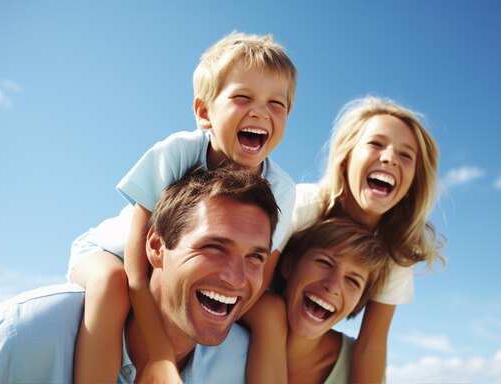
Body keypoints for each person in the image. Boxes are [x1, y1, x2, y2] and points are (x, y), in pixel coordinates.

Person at [68, 32, 297, 383]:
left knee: (270, 312)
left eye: (276, 104)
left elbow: (259, 275)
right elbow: (137, 263)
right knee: (110, 286)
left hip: (185, 273)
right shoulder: (178, 153)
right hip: (115, 254)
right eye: (242, 97)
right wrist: (160, 352)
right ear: (204, 113)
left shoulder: (281, 189)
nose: (260, 111)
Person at [0, 164, 280, 384]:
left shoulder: (242, 367)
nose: (236, 278)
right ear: (156, 247)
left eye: (254, 257)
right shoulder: (25, 334)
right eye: (214, 247)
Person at [245, 95, 446, 383]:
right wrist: (271, 325)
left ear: (413, 182)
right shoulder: (301, 204)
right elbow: (252, 289)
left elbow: (372, 346)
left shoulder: (397, 251)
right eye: (376, 144)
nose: (389, 157)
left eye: (406, 155)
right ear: (347, 157)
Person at [245, 217, 391, 383]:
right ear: (289, 264)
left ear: (358, 302)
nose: (333, 286)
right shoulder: (239, 322)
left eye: (353, 281)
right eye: (324, 262)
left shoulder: (363, 369)